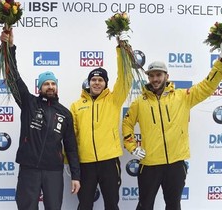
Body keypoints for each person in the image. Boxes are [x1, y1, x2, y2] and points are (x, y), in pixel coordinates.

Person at [122, 52, 222, 210]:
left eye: (159, 75)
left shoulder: (182, 97)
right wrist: (132, 146)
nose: (155, 79)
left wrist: (220, 64)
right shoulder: (140, 102)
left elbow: (206, 87)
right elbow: (127, 123)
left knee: (173, 206)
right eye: (152, 76)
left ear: (166, 76)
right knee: (144, 206)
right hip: (149, 165)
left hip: (175, 165)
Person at [0, 28, 80, 210]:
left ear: (57, 87)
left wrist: (76, 176)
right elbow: (13, 77)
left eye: (53, 83)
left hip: (53, 170)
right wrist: (9, 47)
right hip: (30, 168)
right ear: (40, 87)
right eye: (46, 83)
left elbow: (71, 148)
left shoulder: (65, 113)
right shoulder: (29, 103)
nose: (50, 86)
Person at [70, 32, 133, 210]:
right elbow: (71, 136)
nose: (96, 83)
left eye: (100, 80)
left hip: (109, 162)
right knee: (85, 204)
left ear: (105, 83)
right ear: (88, 83)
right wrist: (70, 160)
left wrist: (121, 50)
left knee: (112, 204)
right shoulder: (76, 105)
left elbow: (126, 79)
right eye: (93, 80)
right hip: (86, 163)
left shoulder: (114, 99)